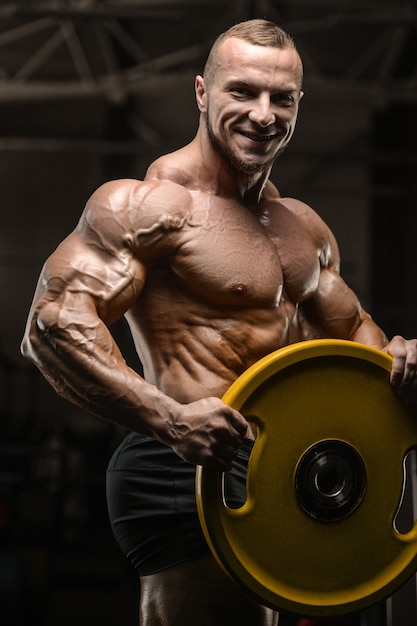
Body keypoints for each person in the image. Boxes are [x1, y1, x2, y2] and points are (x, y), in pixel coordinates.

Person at [21, 18, 417, 626]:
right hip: (184, 461)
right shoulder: (149, 205)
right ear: (203, 93)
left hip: (283, 464)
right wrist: (170, 419)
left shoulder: (301, 227)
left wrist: (397, 358)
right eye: (243, 91)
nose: (263, 114)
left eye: (280, 98)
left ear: (298, 105)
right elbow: (52, 326)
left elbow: (353, 334)